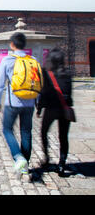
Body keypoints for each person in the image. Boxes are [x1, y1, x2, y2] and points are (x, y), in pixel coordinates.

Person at [0, 32, 40, 177]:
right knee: (26, 132)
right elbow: (37, 83)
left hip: (12, 102)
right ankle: (24, 165)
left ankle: (18, 157)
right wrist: (38, 103)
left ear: (12, 45)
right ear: (24, 45)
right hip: (30, 102)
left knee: (7, 130)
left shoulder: (7, 60)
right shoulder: (33, 60)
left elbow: (0, 83)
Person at [36, 48, 73, 177]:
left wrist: (39, 108)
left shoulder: (48, 73)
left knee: (43, 132)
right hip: (64, 108)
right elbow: (69, 92)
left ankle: (46, 158)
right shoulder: (67, 73)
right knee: (63, 137)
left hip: (51, 108)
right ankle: (62, 164)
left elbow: (44, 93)